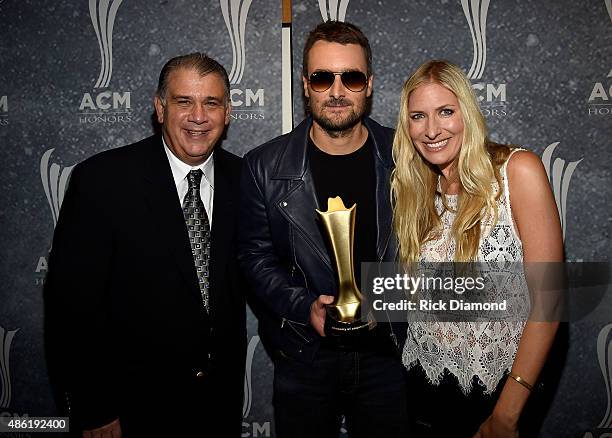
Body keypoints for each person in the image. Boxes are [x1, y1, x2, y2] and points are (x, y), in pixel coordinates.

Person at [44, 53, 246, 437]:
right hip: (129, 410)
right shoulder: (103, 180)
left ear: (229, 111)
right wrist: (94, 407)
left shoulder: (246, 180)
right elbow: (70, 307)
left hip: (218, 409)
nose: (198, 116)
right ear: (160, 108)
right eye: (184, 101)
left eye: (212, 102)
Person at [238, 21, 410, 438]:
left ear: (368, 85)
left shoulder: (406, 158)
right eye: (322, 78)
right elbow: (254, 258)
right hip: (304, 355)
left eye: (350, 77)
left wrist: (390, 300)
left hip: (390, 351)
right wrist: (304, 307)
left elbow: (430, 249)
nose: (337, 91)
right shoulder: (263, 167)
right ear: (305, 85)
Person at [391, 59, 563, 437]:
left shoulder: (516, 171)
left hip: (505, 388)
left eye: (446, 112)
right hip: (427, 387)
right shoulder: (417, 190)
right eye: (418, 116)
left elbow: (550, 301)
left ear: (466, 113)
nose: (432, 130)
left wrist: (507, 413)